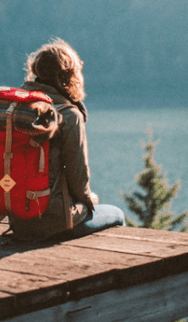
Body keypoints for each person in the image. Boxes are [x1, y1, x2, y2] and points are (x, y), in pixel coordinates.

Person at [8, 38, 125, 241]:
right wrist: (90, 199)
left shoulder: (21, 108)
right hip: (55, 221)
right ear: (68, 76)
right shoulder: (69, 115)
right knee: (117, 215)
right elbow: (79, 181)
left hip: (18, 219)